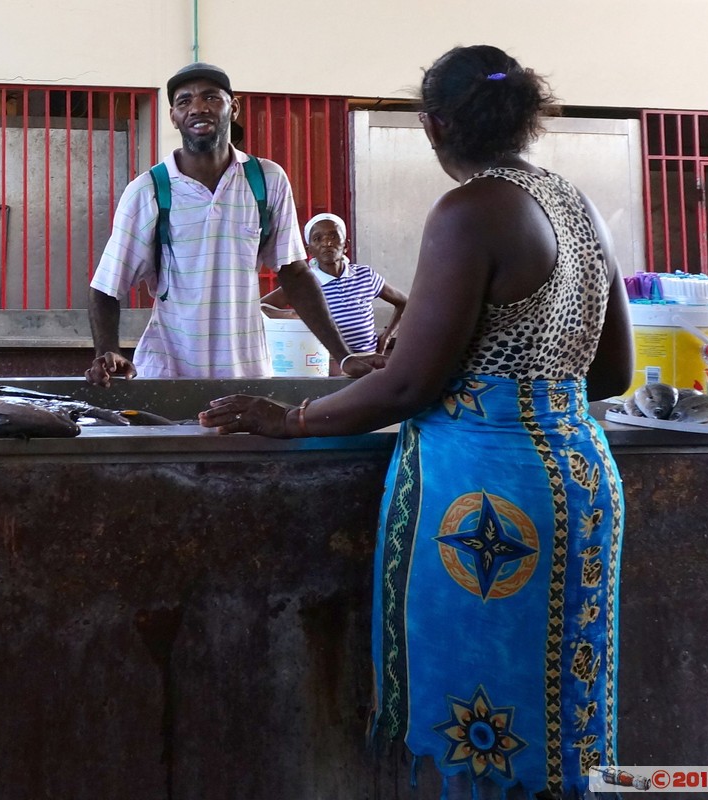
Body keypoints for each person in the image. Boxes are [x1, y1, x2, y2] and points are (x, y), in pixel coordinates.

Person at [200, 45, 634, 799]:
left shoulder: (470, 210)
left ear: (433, 125)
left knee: (481, 725)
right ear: (527, 116)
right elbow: (608, 372)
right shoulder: (573, 202)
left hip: (487, 504)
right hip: (580, 479)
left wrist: (289, 418)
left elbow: (406, 387)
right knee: (564, 715)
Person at [86, 62, 385, 385]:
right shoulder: (149, 190)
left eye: (211, 98)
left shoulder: (267, 180)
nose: (198, 108)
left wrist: (343, 355)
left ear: (234, 107)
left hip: (248, 372)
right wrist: (108, 351)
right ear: (173, 116)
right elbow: (106, 287)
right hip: (167, 372)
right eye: (185, 101)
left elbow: (295, 273)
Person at [260, 212, 408, 358]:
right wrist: (295, 315)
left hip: (369, 362)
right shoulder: (304, 285)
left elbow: (404, 303)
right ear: (309, 250)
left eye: (333, 236)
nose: (327, 243)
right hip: (328, 366)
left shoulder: (365, 276)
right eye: (317, 239)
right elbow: (260, 308)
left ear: (346, 245)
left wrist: (387, 336)